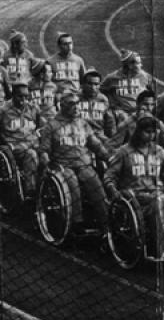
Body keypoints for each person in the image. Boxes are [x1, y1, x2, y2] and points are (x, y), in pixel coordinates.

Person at [103, 115, 164, 260]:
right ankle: (163, 248)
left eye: (153, 132)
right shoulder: (124, 152)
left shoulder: (159, 151)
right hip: (134, 196)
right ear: (138, 132)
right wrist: (113, 190)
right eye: (147, 132)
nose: (151, 135)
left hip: (155, 192)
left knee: (163, 200)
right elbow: (109, 175)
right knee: (160, 201)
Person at [36, 92, 110, 231]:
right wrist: (44, 161)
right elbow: (44, 149)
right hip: (63, 166)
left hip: (84, 164)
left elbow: (95, 145)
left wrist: (108, 158)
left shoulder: (83, 123)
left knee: (95, 184)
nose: (76, 107)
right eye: (71, 104)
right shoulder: (51, 126)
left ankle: (106, 221)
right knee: (72, 183)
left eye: (77, 103)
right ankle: (77, 222)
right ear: (61, 105)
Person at [0, 80, 41, 197]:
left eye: (26, 97)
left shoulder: (33, 109)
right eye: (20, 96)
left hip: (32, 143)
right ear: (13, 95)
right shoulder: (2, 110)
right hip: (14, 146)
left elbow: (39, 127)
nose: (23, 100)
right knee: (31, 155)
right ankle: (31, 191)